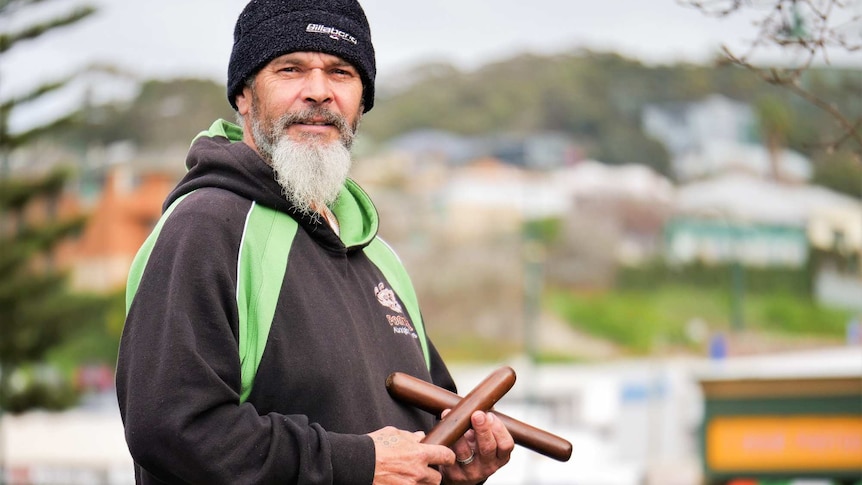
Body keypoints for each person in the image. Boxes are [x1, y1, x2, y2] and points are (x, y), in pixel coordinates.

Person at [114, 0, 515, 483]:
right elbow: (172, 428)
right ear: (244, 94)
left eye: (341, 72)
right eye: (291, 69)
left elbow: (418, 441)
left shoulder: (379, 256)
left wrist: (455, 463)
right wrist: (357, 464)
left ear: (362, 98)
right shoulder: (205, 227)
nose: (319, 92)